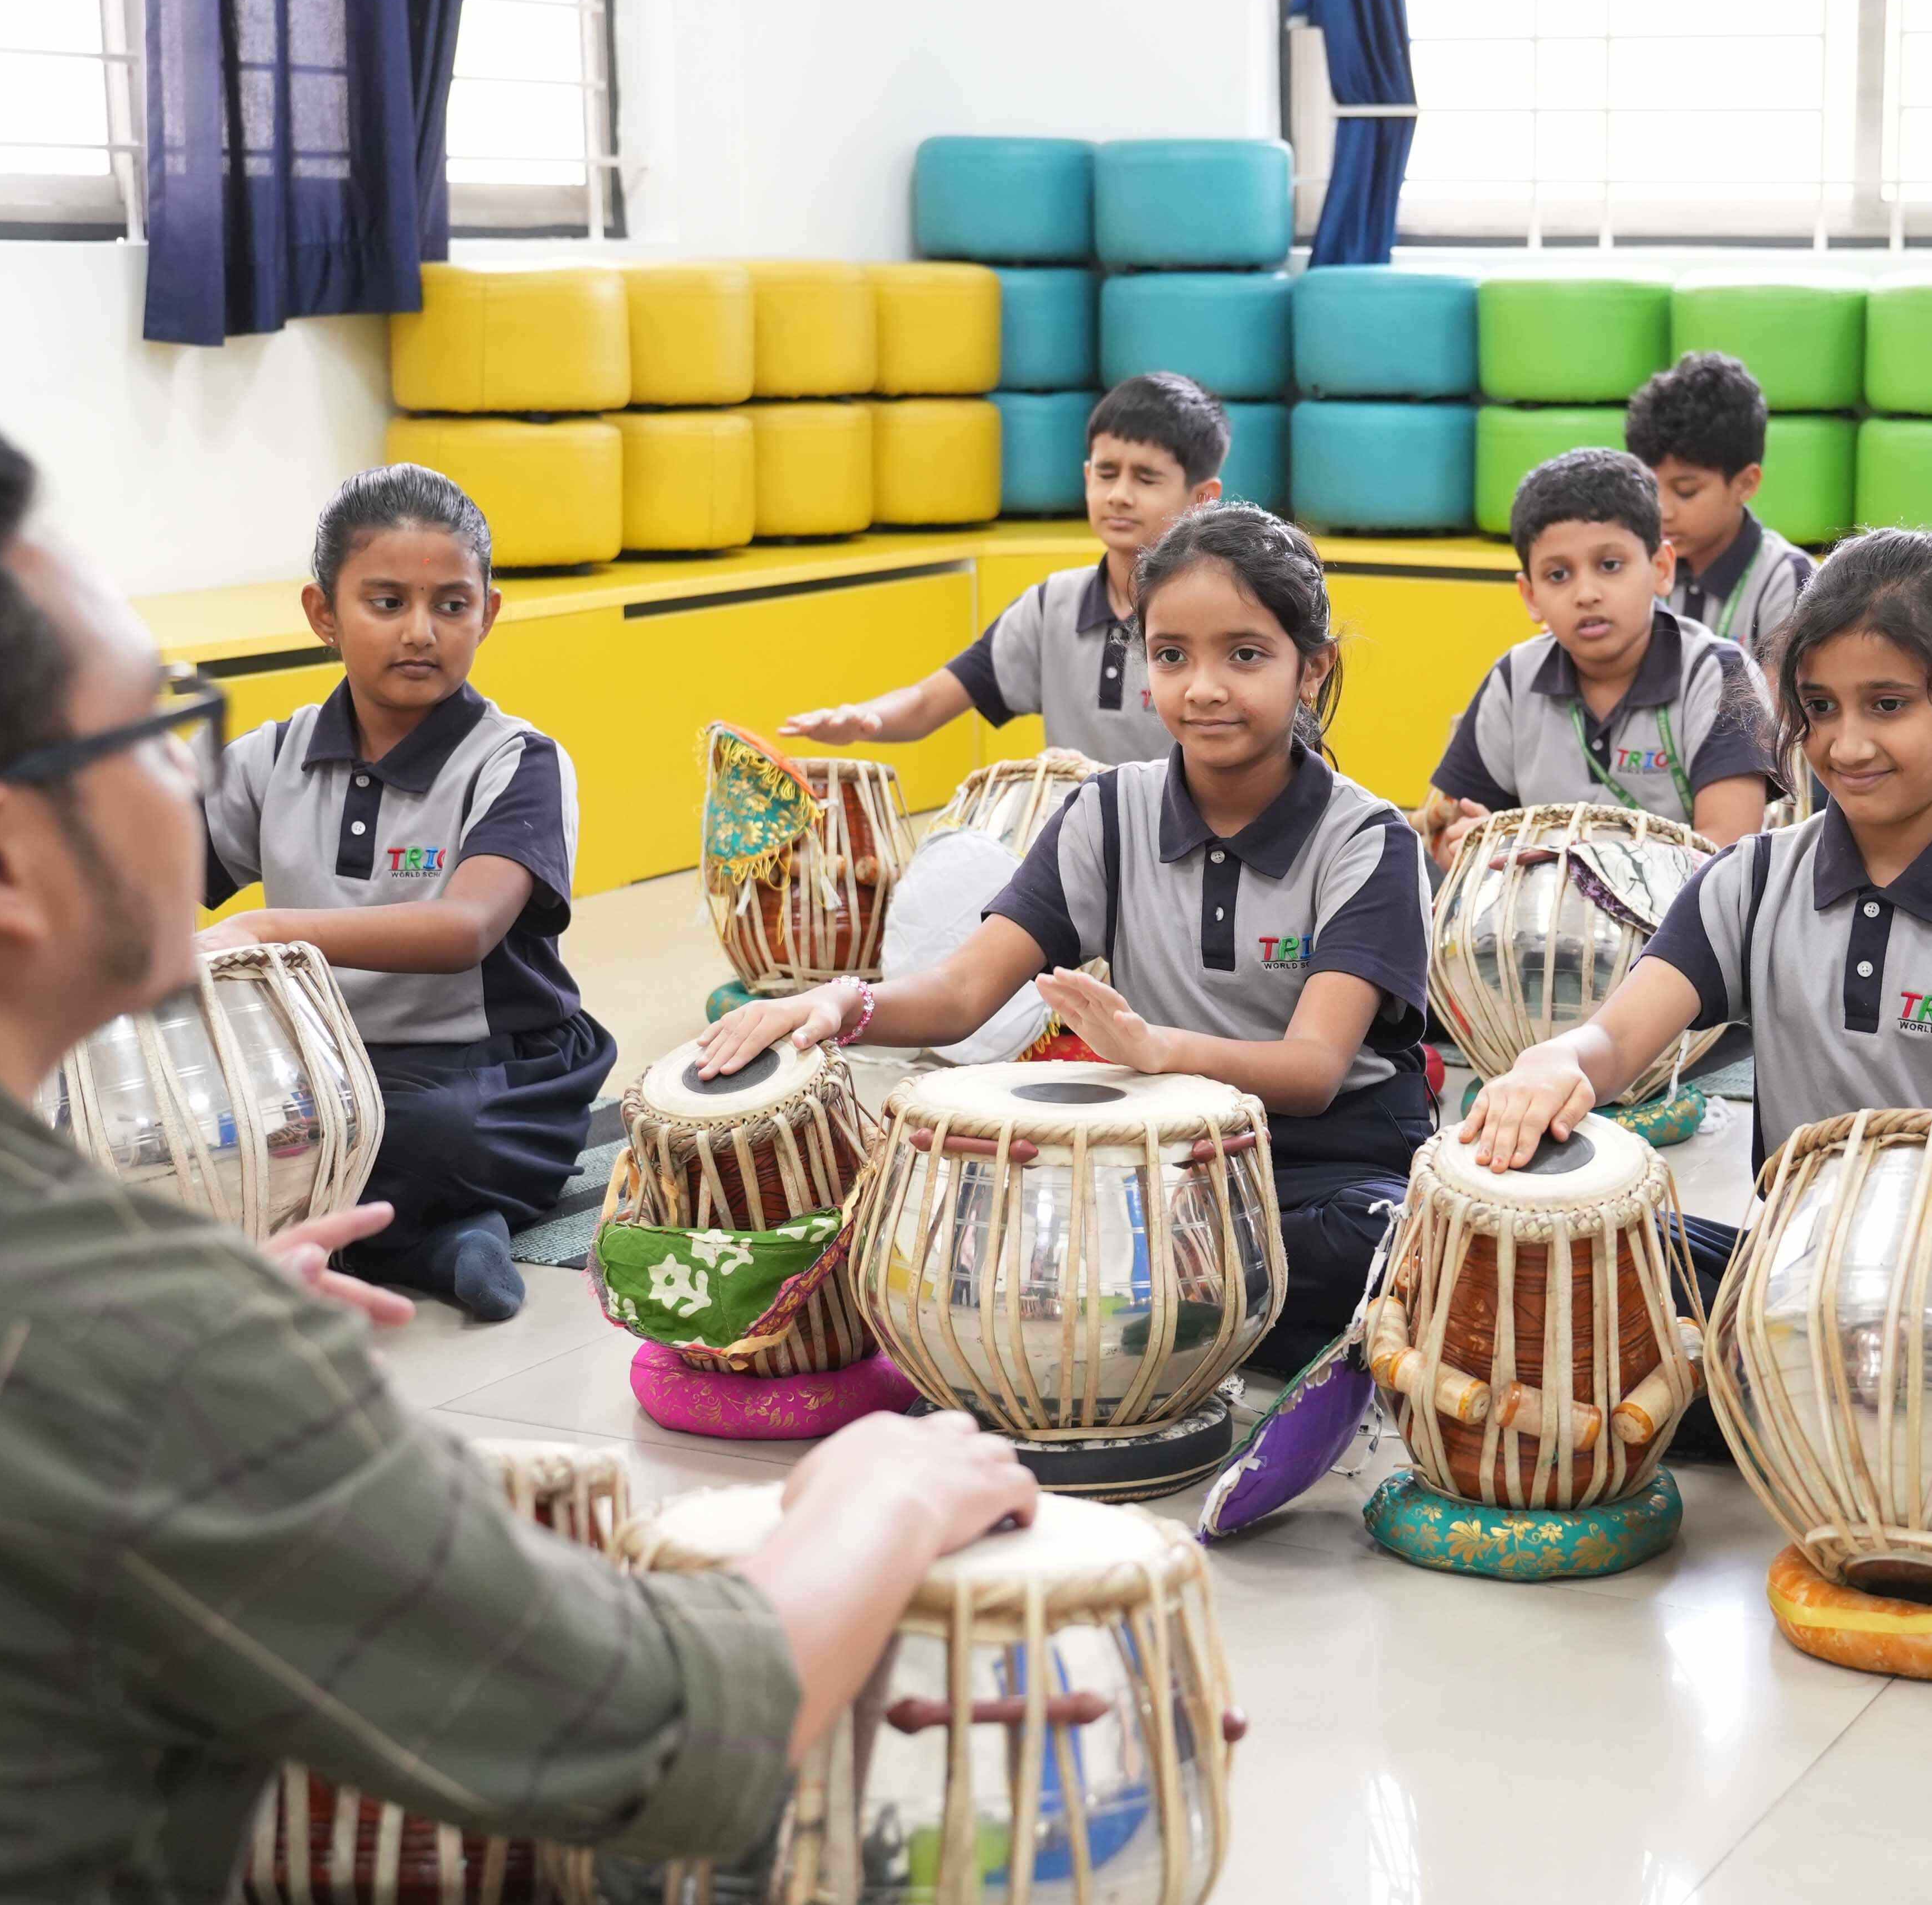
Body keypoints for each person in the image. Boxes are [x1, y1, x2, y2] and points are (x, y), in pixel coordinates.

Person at [0, 414, 1032, 1905]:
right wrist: (878, 1497)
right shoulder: (138, 1334)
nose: (192, 774)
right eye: (157, 728)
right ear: (4, 859)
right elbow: (670, 1742)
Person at [697, 504, 1429, 1378]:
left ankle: (1175, 1303)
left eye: (1244, 655)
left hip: (1324, 1168)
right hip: (1168, 1163)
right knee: (932, 1221)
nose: (1202, 687)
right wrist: (838, 1002)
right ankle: (1200, 1303)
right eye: (1171, 656)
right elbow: (962, 996)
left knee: (1378, 1242)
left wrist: (1157, 1050)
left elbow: (1312, 1072)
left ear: (1312, 668)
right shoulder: (1107, 812)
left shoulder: (1368, 841)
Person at [1463, 529, 1932, 1301]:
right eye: (1820, 707)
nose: (1847, 744)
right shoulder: (1751, 882)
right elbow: (1613, 1042)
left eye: (1888, 704)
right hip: (1794, 1288)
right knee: (1557, 1256)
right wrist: (1555, 1061)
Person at [196, 465, 607, 1323]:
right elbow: (145, 881)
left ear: (487, 614)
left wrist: (267, 929)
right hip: (324, 1069)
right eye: (386, 603)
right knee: (197, 1127)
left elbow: (465, 929)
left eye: (451, 605)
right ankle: (436, 1242)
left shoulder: (517, 760)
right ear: (323, 614)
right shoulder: (272, 758)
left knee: (428, 1136)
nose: (421, 632)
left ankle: (365, 1232)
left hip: (489, 1077)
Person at [777, 371, 1225, 765]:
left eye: (1146, 479)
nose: (1119, 496)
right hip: (1080, 833)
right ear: (1088, 477)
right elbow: (927, 702)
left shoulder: (1223, 614)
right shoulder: (1053, 606)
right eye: (1107, 474)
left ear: (1203, 498)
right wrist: (864, 718)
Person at [1416, 447, 1784, 866]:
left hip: (1687, 910)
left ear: (1662, 569)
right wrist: (1467, 843)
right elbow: (1448, 839)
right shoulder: (1514, 679)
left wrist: (1569, 858)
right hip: (1538, 910)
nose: (1586, 594)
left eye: (1610, 565)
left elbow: (1727, 854)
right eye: (1558, 575)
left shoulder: (1719, 675)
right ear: (1531, 596)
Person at [1629, 349, 1815, 663]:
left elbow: (1788, 693)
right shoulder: (1637, 565)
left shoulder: (1790, 581)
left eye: (1685, 491)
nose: (1662, 511)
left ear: (1746, 484)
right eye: (1649, 487)